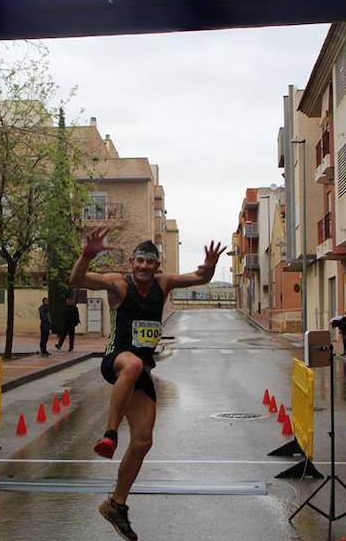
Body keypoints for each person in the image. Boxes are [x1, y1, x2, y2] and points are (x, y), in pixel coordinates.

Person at [69, 227, 224, 541]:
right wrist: (86, 256)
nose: (143, 267)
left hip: (140, 373)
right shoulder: (118, 284)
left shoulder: (162, 284)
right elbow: (77, 281)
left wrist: (209, 269)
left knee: (142, 441)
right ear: (131, 262)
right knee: (134, 362)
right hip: (117, 361)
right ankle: (110, 434)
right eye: (139, 261)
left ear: (157, 266)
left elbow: (199, 279)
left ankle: (116, 504)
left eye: (149, 263)